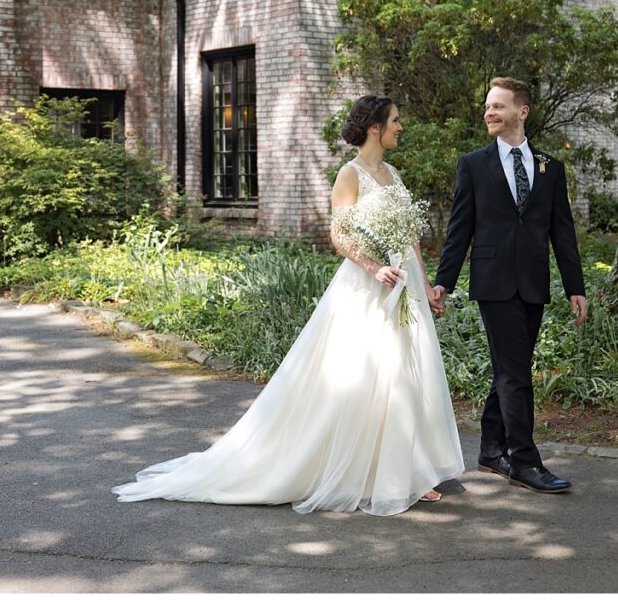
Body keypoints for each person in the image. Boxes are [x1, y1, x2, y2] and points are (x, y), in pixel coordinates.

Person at [115, 96, 464, 514]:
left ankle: (406, 471)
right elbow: (340, 238)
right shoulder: (348, 176)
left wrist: (424, 286)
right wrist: (375, 269)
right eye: (395, 120)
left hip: (403, 285)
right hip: (369, 288)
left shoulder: (393, 173)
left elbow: (410, 237)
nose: (400, 127)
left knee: (406, 376)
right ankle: (364, 471)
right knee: (369, 376)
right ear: (375, 127)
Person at [429, 77, 589, 494]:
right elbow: (459, 228)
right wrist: (444, 282)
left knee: (509, 368)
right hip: (493, 281)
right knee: (516, 372)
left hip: (534, 282)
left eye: (498, 106)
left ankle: (490, 448)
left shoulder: (550, 168)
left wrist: (576, 286)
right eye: (487, 106)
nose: (489, 112)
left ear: (523, 111)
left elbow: (562, 232)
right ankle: (525, 461)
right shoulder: (474, 164)